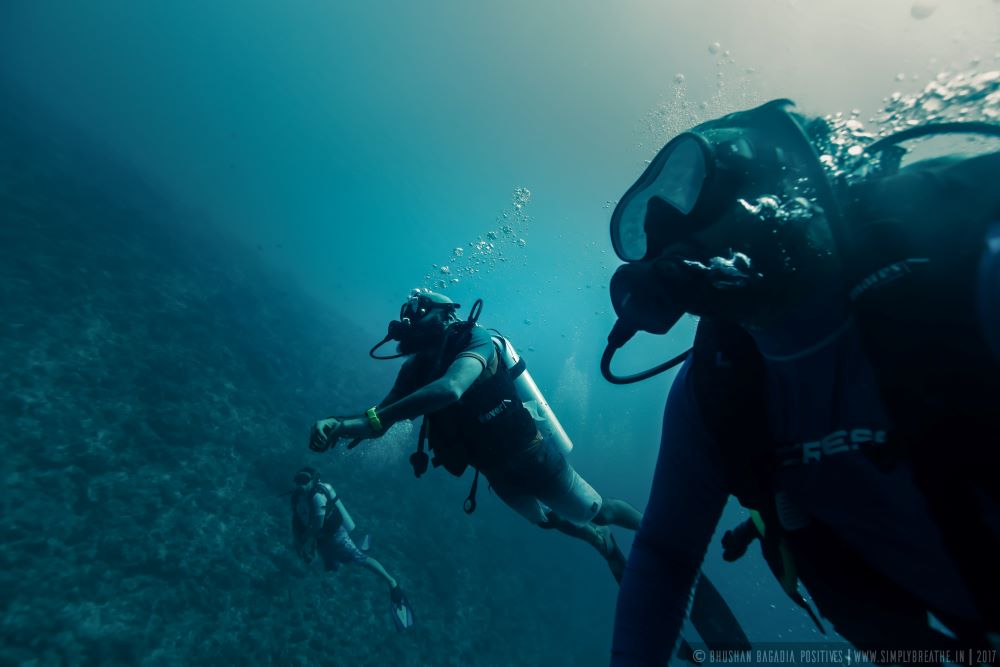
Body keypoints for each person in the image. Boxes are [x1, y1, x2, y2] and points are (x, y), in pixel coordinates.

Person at [600, 98, 1000, 664]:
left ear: (780, 182)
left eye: (690, 181)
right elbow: (666, 553)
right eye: (646, 221)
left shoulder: (960, 278)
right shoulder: (717, 388)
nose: (667, 228)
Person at [307, 289, 643, 582]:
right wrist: (337, 423)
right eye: (406, 315)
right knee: (545, 519)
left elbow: (452, 389)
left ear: (444, 313)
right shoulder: (413, 370)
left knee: (600, 510)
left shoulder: (475, 338)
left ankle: (655, 530)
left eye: (417, 312)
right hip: (495, 473)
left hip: (533, 455)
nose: (408, 322)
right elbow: (377, 420)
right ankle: (598, 540)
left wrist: (374, 419)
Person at [289, 466, 414, 630]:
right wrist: (301, 542)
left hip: (335, 536)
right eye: (298, 481)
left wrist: (304, 541)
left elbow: (317, 525)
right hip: (322, 540)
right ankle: (350, 552)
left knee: (358, 558)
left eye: (304, 480)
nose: (300, 485)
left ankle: (392, 583)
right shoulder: (298, 497)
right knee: (332, 565)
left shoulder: (318, 496)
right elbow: (297, 520)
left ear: (313, 481)